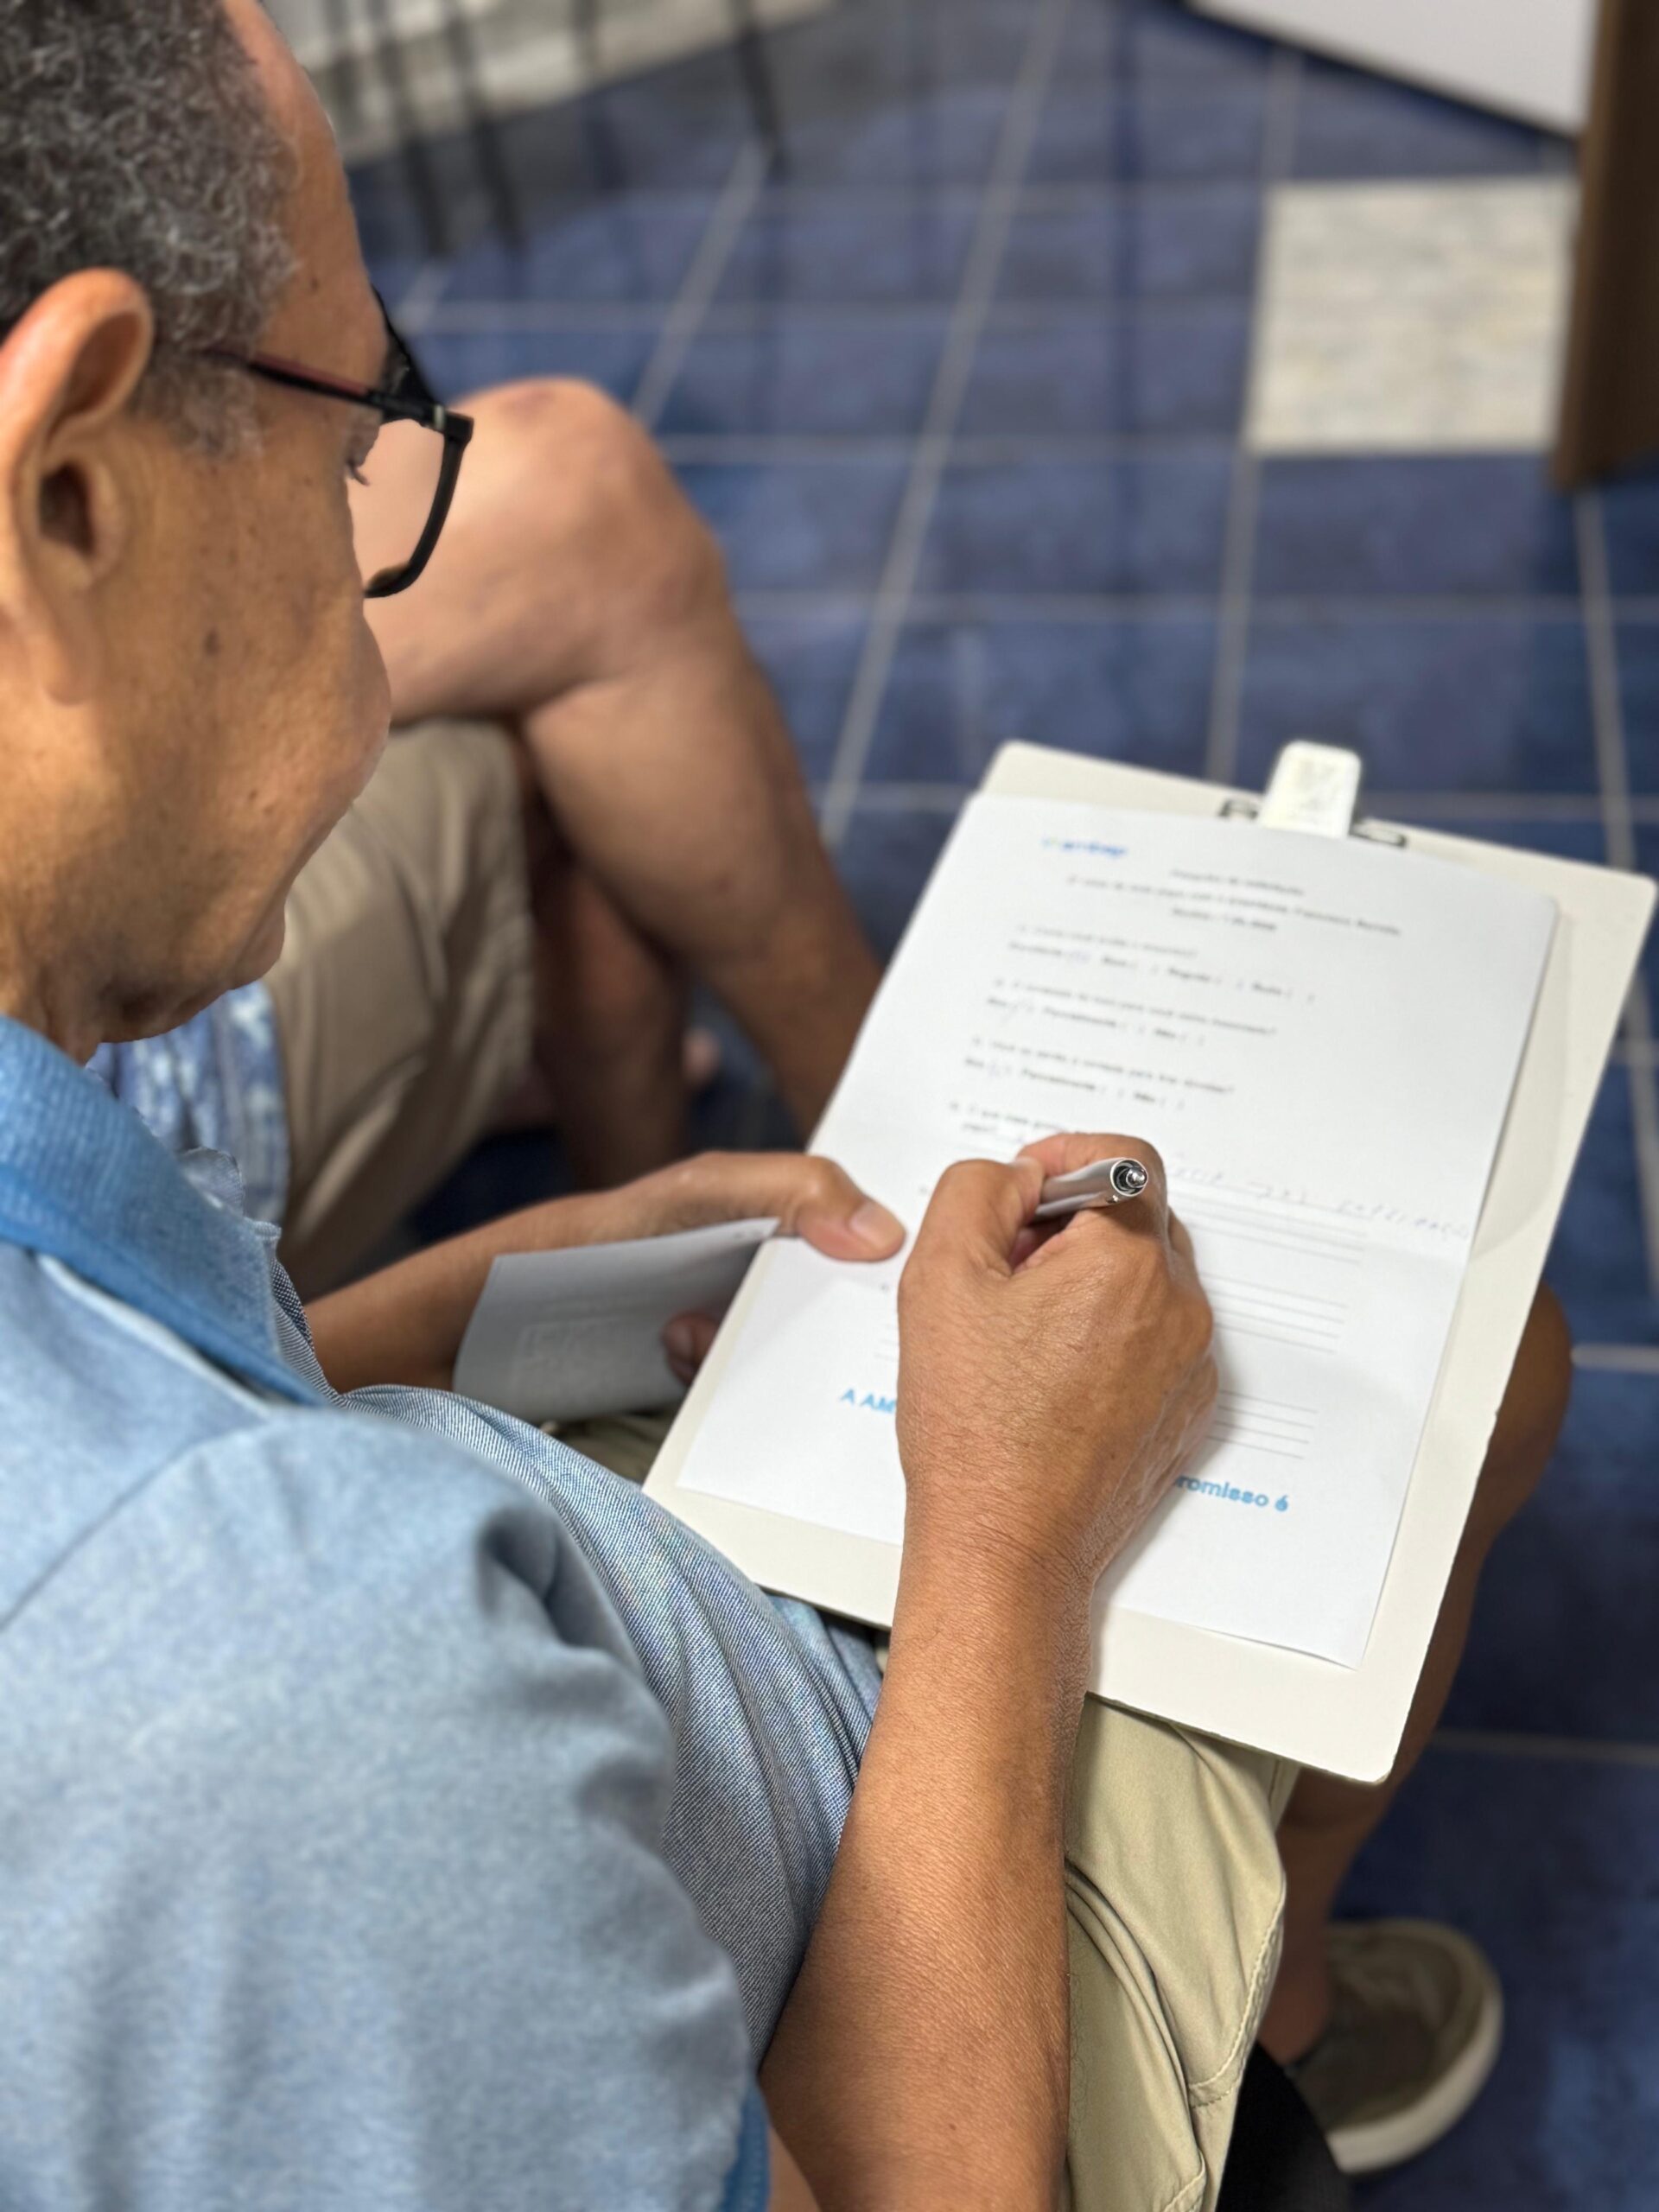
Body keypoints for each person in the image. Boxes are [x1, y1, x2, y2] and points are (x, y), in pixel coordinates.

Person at [0, 4, 1571, 2206]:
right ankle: (1264, 2002)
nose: (376, 590)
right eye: (352, 444)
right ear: (68, 486)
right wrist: (1007, 1530)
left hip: (543, 1655)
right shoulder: (279, 1677)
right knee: (1483, 1361)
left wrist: (445, 1302)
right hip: (873, 1944)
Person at [89, 320, 881, 1300]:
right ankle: (872, 1169)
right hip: (148, 1129)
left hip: (106, 1081)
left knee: (550, 605)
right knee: (573, 584)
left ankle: (639, 1272)